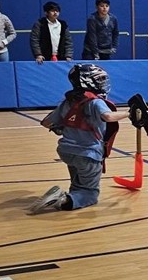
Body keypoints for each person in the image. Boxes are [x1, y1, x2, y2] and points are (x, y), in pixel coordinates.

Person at [30, 64, 131, 213]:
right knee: (90, 193)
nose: (103, 83)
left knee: (78, 185)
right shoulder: (96, 102)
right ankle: (61, 199)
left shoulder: (68, 102)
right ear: (87, 81)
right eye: (99, 79)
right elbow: (108, 117)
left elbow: (46, 122)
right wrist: (129, 113)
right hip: (88, 153)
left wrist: (59, 129)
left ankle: (68, 198)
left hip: (66, 151)